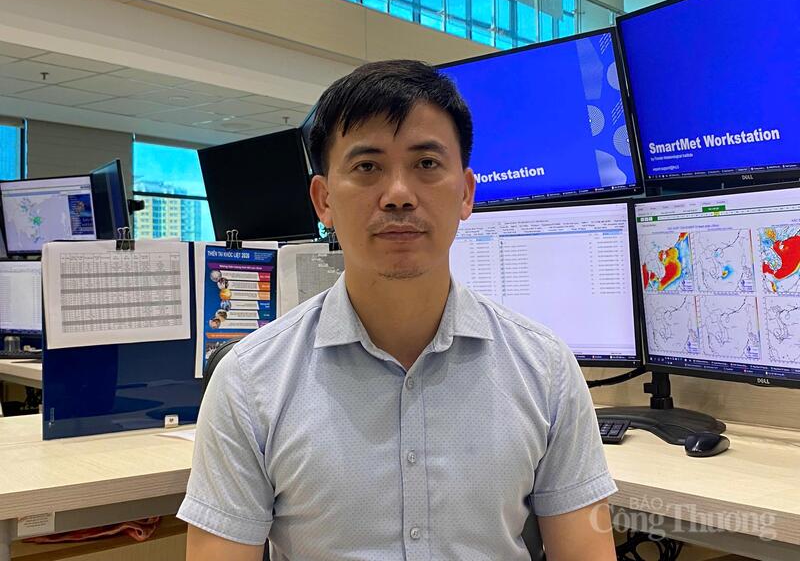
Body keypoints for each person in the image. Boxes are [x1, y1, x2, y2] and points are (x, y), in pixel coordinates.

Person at [179, 60, 618, 561]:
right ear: (323, 200)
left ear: (466, 193)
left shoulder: (545, 369)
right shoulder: (249, 382)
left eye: (426, 164)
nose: (399, 196)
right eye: (367, 167)